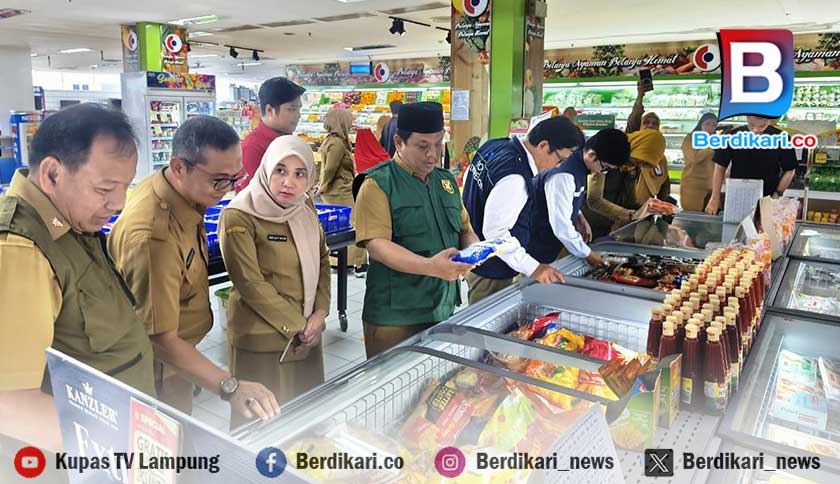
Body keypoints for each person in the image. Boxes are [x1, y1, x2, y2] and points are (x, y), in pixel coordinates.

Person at [0, 104, 155, 453]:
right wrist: (122, 451)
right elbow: (9, 404)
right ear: (53, 174)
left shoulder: (69, 221)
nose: (118, 203)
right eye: (104, 188)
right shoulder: (21, 249)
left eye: (126, 186)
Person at [108, 116, 279, 422]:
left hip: (180, 361)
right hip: (159, 369)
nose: (227, 190)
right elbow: (160, 338)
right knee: (170, 451)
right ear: (178, 168)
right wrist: (229, 386)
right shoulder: (153, 237)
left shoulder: (184, 195)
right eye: (218, 180)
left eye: (234, 178)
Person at [220, 136, 330, 428]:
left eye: (299, 174)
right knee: (263, 426)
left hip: (307, 334)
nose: (288, 183)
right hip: (263, 341)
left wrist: (319, 314)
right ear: (266, 168)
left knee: (305, 419)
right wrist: (299, 326)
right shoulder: (239, 215)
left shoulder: (304, 208)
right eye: (280, 170)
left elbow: (322, 259)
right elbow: (250, 284)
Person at [353, 102, 478, 358]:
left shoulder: (446, 182)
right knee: (393, 392)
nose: (432, 154)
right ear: (399, 142)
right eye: (423, 146)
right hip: (395, 317)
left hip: (441, 308)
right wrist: (431, 266)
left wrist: (474, 250)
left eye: (438, 143)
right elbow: (377, 245)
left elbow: (465, 228)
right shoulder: (378, 183)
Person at [462, 116, 580, 304]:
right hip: (492, 269)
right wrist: (535, 268)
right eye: (560, 159)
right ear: (543, 146)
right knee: (484, 323)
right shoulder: (515, 177)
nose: (558, 167)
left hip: (476, 255)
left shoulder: (495, 145)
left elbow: (470, 183)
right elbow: (495, 233)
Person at [529, 129, 632, 266]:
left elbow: (566, 198)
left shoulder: (579, 163)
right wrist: (587, 254)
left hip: (549, 243)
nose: (603, 172)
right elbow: (561, 226)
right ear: (591, 155)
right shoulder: (564, 175)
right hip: (536, 244)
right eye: (604, 168)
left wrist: (579, 215)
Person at [583, 128, 668, 238]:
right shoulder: (607, 158)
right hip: (587, 223)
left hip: (608, 226)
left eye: (646, 164)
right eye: (640, 160)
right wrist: (628, 214)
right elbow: (593, 200)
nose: (640, 164)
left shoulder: (632, 168)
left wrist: (648, 210)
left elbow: (629, 199)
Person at [705, 115, 798, 214]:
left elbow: (790, 169)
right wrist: (715, 198)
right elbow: (720, 166)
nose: (757, 130)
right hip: (737, 196)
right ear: (747, 117)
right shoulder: (732, 136)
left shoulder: (781, 137)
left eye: (762, 126)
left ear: (768, 120)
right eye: (752, 126)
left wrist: (777, 193)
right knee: (734, 227)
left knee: (764, 228)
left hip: (767, 198)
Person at [319, 109, 368, 277]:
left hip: (335, 191)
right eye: (348, 120)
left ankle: (340, 262)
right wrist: (322, 186)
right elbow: (330, 168)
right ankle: (359, 263)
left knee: (339, 227)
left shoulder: (331, 140)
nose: (351, 123)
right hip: (341, 191)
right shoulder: (338, 143)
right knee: (356, 223)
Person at [235, 77, 306, 193]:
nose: (298, 115)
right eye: (292, 109)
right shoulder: (253, 147)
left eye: (299, 109)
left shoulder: (288, 142)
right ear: (269, 110)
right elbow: (252, 197)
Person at [680, 113, 718, 211]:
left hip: (711, 186)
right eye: (707, 124)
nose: (710, 128)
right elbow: (694, 158)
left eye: (714, 125)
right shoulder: (690, 139)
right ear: (701, 124)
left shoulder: (716, 141)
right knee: (692, 217)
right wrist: (710, 146)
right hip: (693, 186)